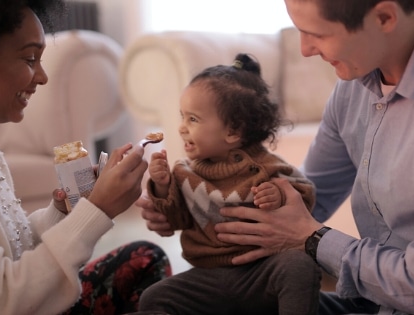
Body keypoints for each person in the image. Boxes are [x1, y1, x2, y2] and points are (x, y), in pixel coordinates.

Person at [140, 0, 414, 314]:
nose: (304, 50)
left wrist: (314, 239)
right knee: (166, 301)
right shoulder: (357, 82)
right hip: (374, 297)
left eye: (317, 34)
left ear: (384, 18)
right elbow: (301, 199)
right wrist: (186, 206)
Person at [0, 1, 170, 314]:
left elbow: (14, 247)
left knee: (144, 259)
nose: (41, 77)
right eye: (29, 59)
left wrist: (69, 208)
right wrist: (99, 209)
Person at [137, 53, 321, 315]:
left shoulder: (267, 167)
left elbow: (303, 196)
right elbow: (174, 220)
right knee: (154, 297)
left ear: (233, 131)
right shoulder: (183, 173)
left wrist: (278, 197)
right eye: (182, 117)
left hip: (261, 272)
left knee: (299, 266)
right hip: (208, 278)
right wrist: (162, 186)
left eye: (193, 119)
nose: (181, 128)